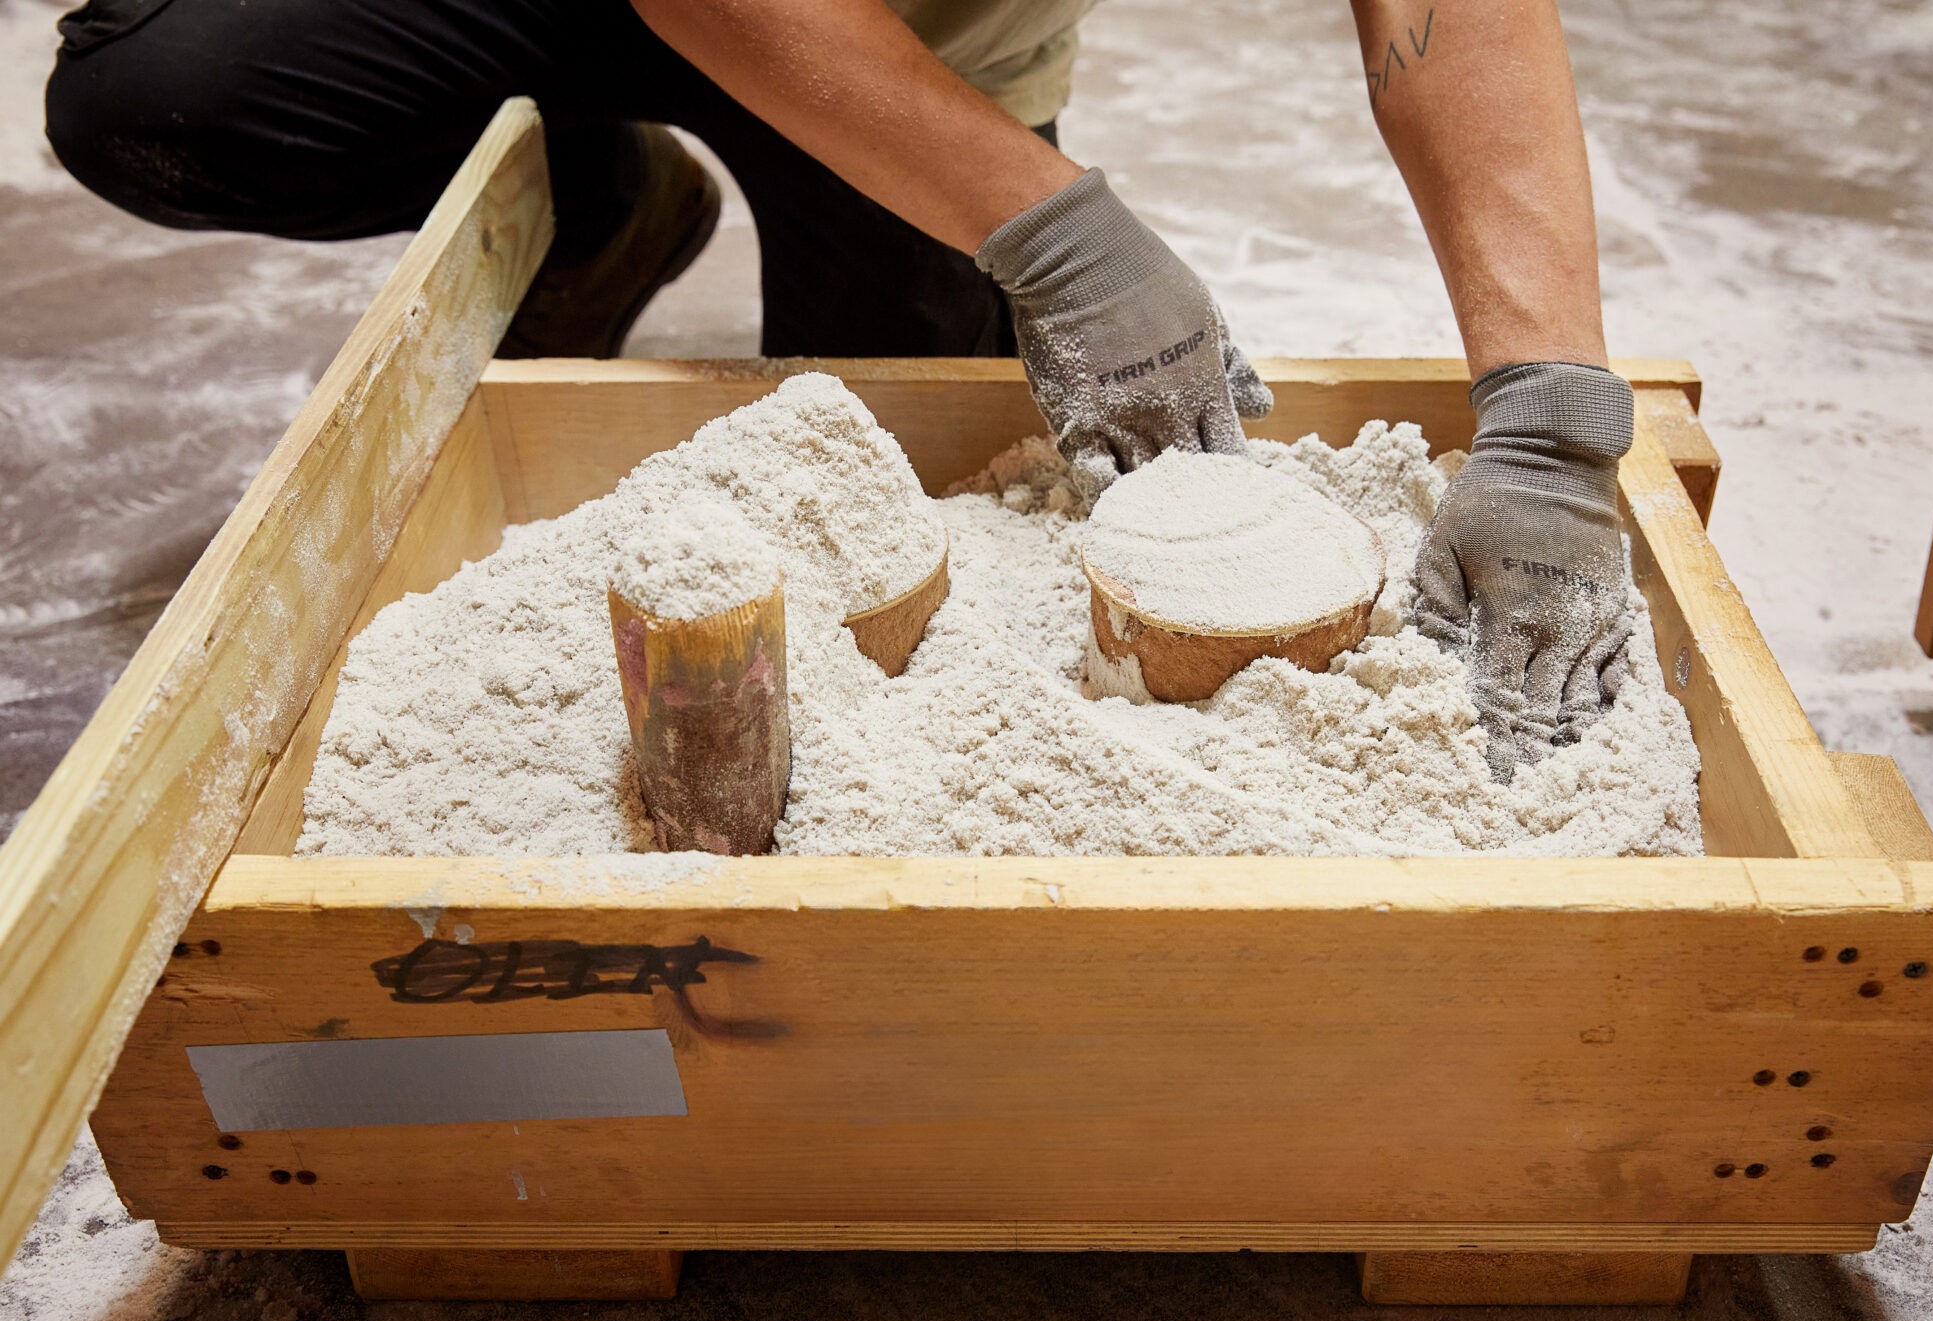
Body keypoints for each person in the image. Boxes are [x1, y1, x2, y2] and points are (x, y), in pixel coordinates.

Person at [44, 0, 1635, 778]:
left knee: (903, 407)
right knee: (159, 87)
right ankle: (595, 194)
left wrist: (1550, 404)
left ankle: (702, 194)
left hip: (920, 42)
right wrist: (1055, 230)